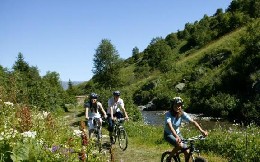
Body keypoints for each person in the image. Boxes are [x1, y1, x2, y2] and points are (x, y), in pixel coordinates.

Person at [164, 97, 208, 162]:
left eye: (179, 105)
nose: (178, 107)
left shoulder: (182, 113)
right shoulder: (168, 114)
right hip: (169, 134)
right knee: (179, 145)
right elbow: (170, 127)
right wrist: (176, 137)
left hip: (177, 133)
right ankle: (169, 158)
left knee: (187, 152)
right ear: (172, 105)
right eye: (176, 105)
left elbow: (193, 122)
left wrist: (202, 131)